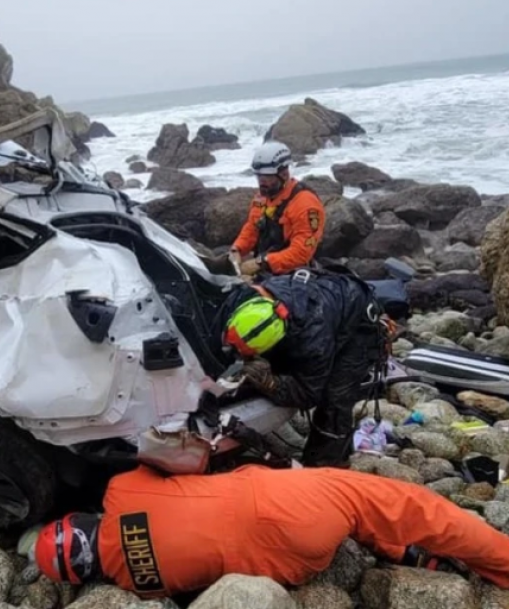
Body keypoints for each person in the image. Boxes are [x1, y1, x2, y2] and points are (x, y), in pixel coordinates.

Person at [33, 463, 509, 598]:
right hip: (287, 504)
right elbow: (186, 461)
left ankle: (408, 556)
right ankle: (502, 563)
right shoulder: (121, 493)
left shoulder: (136, 584)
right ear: (79, 522)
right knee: (411, 506)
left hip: (296, 567)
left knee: (346, 522)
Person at [214, 266, 386, 467]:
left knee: (335, 401)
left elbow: (308, 393)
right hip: (320, 298)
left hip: (356, 323)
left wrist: (270, 383)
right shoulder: (242, 299)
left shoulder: (313, 342)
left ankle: (324, 465)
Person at [226, 141, 326, 278]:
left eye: (267, 177)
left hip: (295, 274)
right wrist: (237, 249)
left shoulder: (305, 204)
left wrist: (261, 263)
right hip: (266, 267)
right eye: (259, 176)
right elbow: (252, 228)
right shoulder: (262, 199)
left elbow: (301, 253)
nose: (261, 182)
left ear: (284, 174)